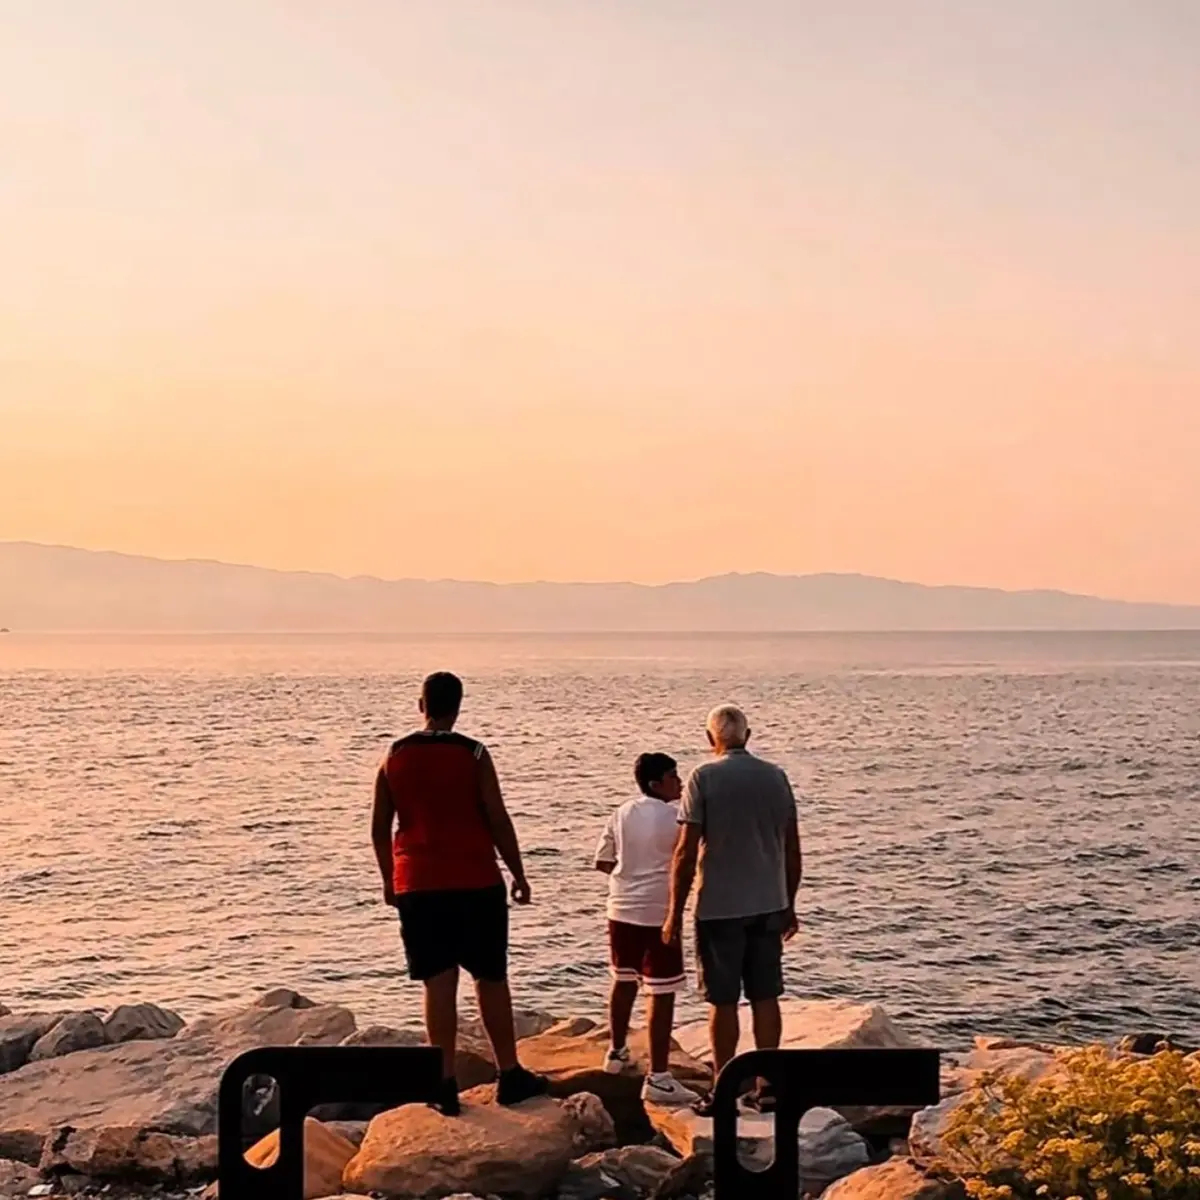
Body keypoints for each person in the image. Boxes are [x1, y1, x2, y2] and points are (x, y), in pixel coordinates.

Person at [371, 671, 548, 1115]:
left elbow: (379, 826)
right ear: (458, 706)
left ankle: (444, 1084)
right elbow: (497, 817)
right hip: (474, 880)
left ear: (421, 705)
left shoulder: (393, 756)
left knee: (438, 982)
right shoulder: (473, 753)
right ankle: (509, 1074)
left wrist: (389, 879)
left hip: (418, 881)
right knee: (490, 978)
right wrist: (519, 873)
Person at [662, 704, 802, 1114]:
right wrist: (790, 904)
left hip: (720, 907)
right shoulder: (776, 778)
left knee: (722, 1001)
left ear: (711, 739)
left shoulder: (703, 777)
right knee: (766, 995)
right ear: (749, 734)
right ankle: (769, 1086)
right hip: (768, 903)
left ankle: (725, 1088)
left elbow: (686, 853)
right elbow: (792, 848)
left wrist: (674, 912)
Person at [594, 753, 700, 1107]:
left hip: (620, 908)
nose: (681, 781)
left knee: (623, 979)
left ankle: (616, 1050)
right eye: (674, 776)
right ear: (657, 784)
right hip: (658, 913)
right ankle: (659, 1077)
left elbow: (603, 862)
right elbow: (691, 857)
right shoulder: (677, 816)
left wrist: (632, 875)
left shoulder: (621, 812)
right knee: (661, 991)